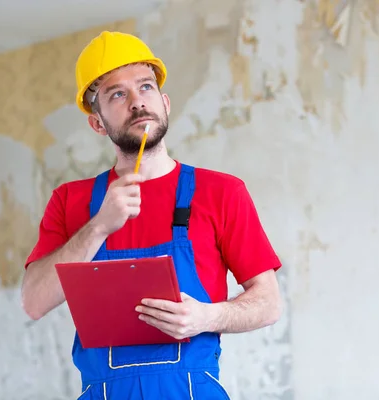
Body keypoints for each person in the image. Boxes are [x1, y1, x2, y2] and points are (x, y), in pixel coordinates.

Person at [21, 31, 282, 400]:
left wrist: (207, 317)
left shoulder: (221, 192)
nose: (136, 102)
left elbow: (268, 302)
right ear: (97, 123)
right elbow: (33, 302)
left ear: (164, 102)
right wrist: (98, 226)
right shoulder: (70, 201)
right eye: (117, 94)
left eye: (145, 87)